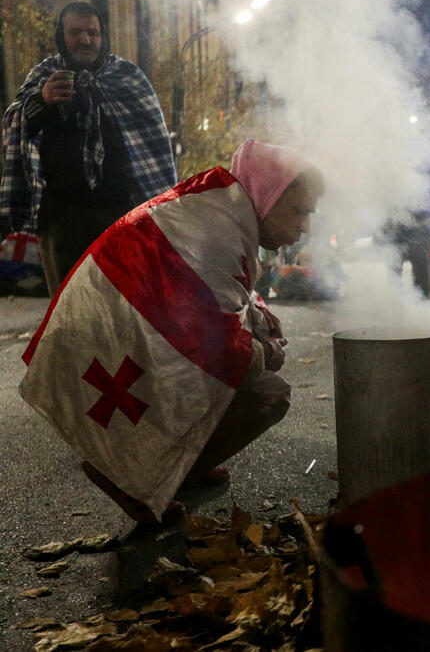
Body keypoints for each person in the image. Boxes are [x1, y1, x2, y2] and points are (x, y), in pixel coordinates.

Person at [19, 139, 324, 525]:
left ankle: (177, 470)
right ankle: (133, 475)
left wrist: (259, 321)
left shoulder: (221, 206)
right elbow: (224, 350)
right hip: (111, 337)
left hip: (110, 328)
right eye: (299, 211)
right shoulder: (221, 229)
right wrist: (265, 351)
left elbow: (221, 297)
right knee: (268, 393)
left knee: (243, 368)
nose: (305, 227)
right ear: (268, 194)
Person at [0, 2, 176, 296]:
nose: (85, 40)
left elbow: (153, 146)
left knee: (124, 304)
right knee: (69, 307)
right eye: (76, 32)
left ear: (102, 36)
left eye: (92, 33)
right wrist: (42, 100)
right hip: (62, 219)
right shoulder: (45, 74)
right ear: (61, 36)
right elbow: (15, 124)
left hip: (122, 215)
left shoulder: (127, 76)